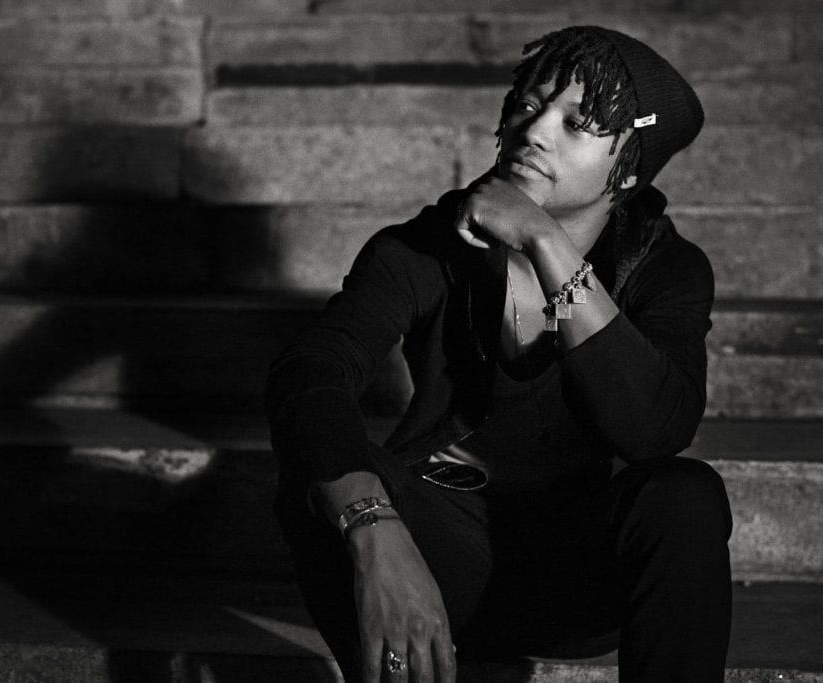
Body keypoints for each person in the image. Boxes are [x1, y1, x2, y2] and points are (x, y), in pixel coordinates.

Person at [266, 25, 733, 683]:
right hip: (433, 555)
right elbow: (310, 372)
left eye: (577, 124)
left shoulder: (666, 270)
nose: (534, 131)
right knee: (325, 471)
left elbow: (656, 430)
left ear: (628, 169)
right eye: (528, 105)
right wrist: (371, 522)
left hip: (577, 574)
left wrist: (544, 240)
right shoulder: (423, 249)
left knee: (685, 495)